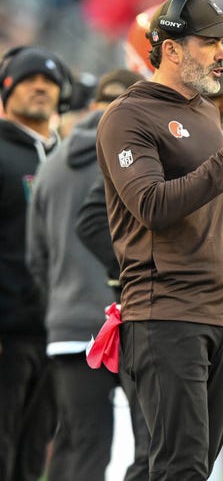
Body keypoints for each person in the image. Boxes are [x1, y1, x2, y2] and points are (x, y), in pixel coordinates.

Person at [94, 0, 223, 479]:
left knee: (195, 468)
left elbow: (208, 206)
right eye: (210, 42)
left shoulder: (204, 112)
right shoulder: (127, 115)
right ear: (170, 49)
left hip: (219, 314)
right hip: (165, 314)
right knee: (181, 468)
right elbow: (151, 205)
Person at [25, 68, 148, 481]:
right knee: (153, 447)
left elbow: (36, 257)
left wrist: (61, 302)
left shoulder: (51, 165)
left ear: (95, 103)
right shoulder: (137, 157)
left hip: (68, 327)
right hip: (132, 321)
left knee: (80, 448)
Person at [0, 45, 71, 481]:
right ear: (7, 90)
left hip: (57, 334)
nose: (41, 87)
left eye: (49, 82)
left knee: (32, 459)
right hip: (8, 333)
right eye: (29, 80)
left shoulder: (70, 159)